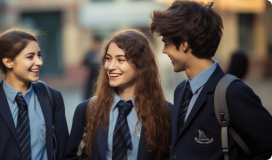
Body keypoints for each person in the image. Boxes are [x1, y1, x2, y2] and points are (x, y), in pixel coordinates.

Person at [150, 1, 272, 159]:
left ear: (185, 44)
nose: (164, 50)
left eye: (166, 44)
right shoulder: (180, 90)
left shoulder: (233, 93)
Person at [64, 29, 172, 160]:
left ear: (141, 64)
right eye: (108, 59)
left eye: (120, 60)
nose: (110, 66)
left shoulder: (166, 113)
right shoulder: (87, 110)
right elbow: (70, 157)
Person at [0, 29, 69, 160]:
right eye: (30, 57)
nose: (39, 62)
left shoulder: (52, 98)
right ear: (8, 61)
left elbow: (64, 153)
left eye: (39, 55)